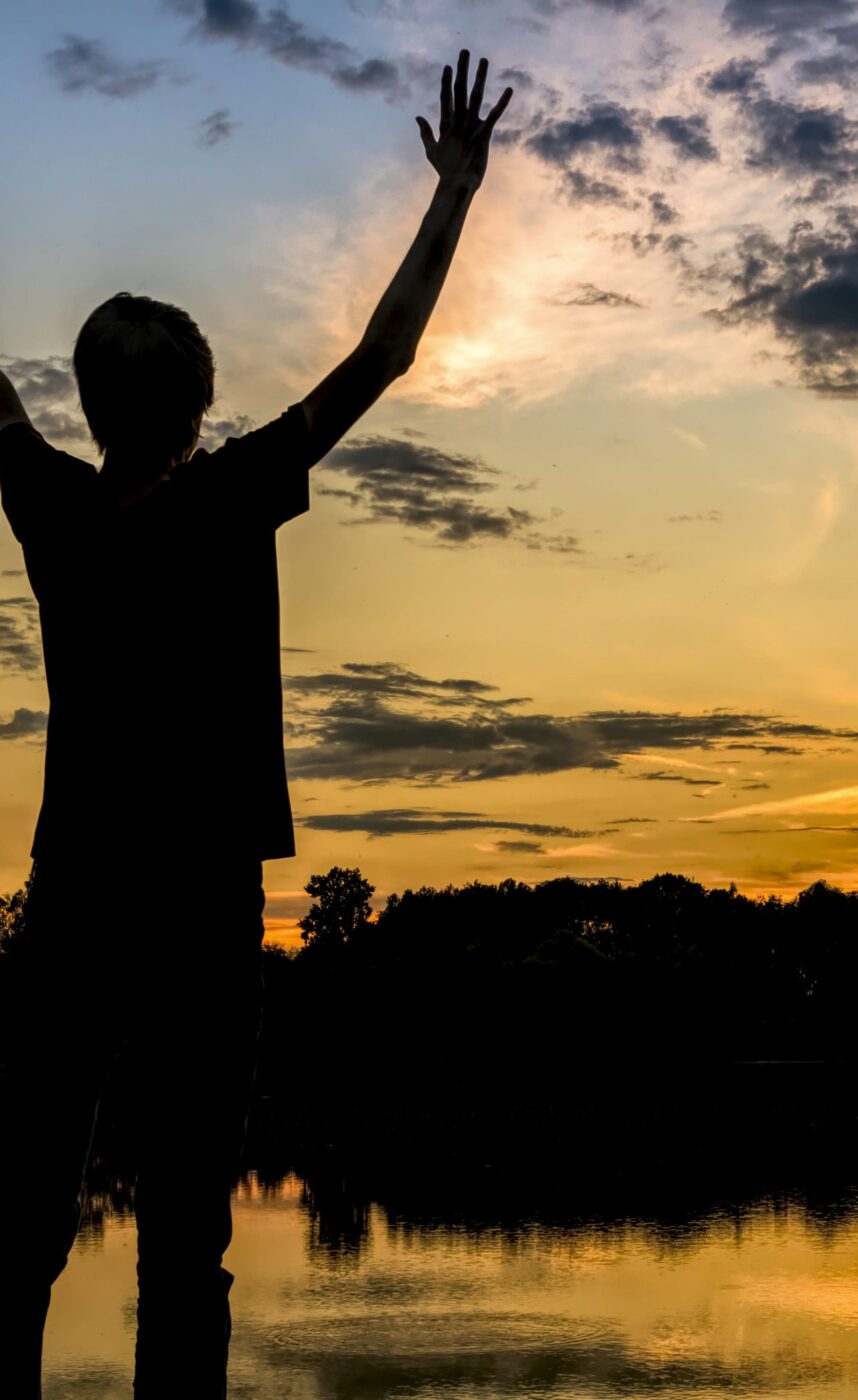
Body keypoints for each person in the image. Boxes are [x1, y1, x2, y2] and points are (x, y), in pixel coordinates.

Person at [0, 48, 511, 1399]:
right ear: (202, 401)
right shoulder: (231, 498)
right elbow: (386, 353)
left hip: (75, 900)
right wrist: (454, 193)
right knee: (188, 1246)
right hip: (203, 907)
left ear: (94, 404)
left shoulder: (51, 507)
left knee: (22, 1221)